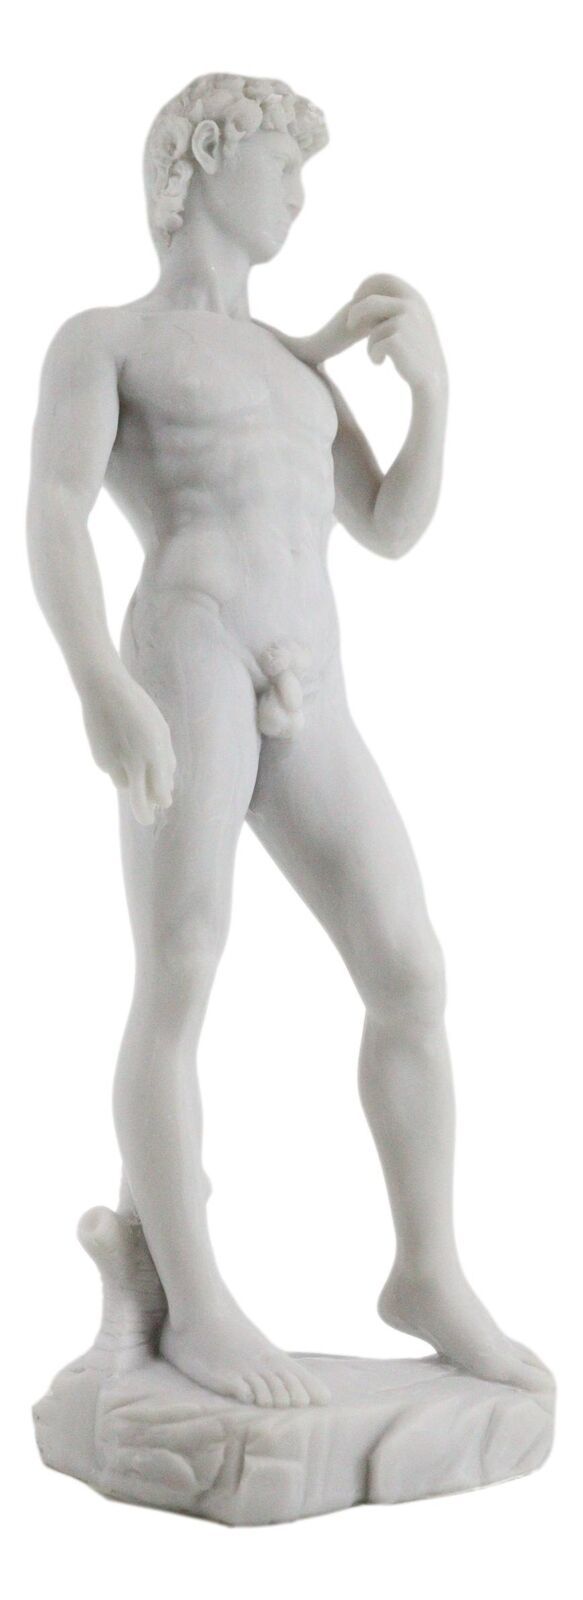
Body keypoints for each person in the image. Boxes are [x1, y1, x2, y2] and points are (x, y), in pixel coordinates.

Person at [27, 74, 548, 1408]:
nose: (301, 195)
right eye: (282, 165)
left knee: (410, 969)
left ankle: (425, 1267)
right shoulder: (108, 340)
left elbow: (390, 525)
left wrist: (433, 391)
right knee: (183, 966)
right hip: (188, 651)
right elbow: (54, 510)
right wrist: (97, 682)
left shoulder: (297, 368)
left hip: (312, 680)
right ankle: (195, 1304)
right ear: (200, 162)